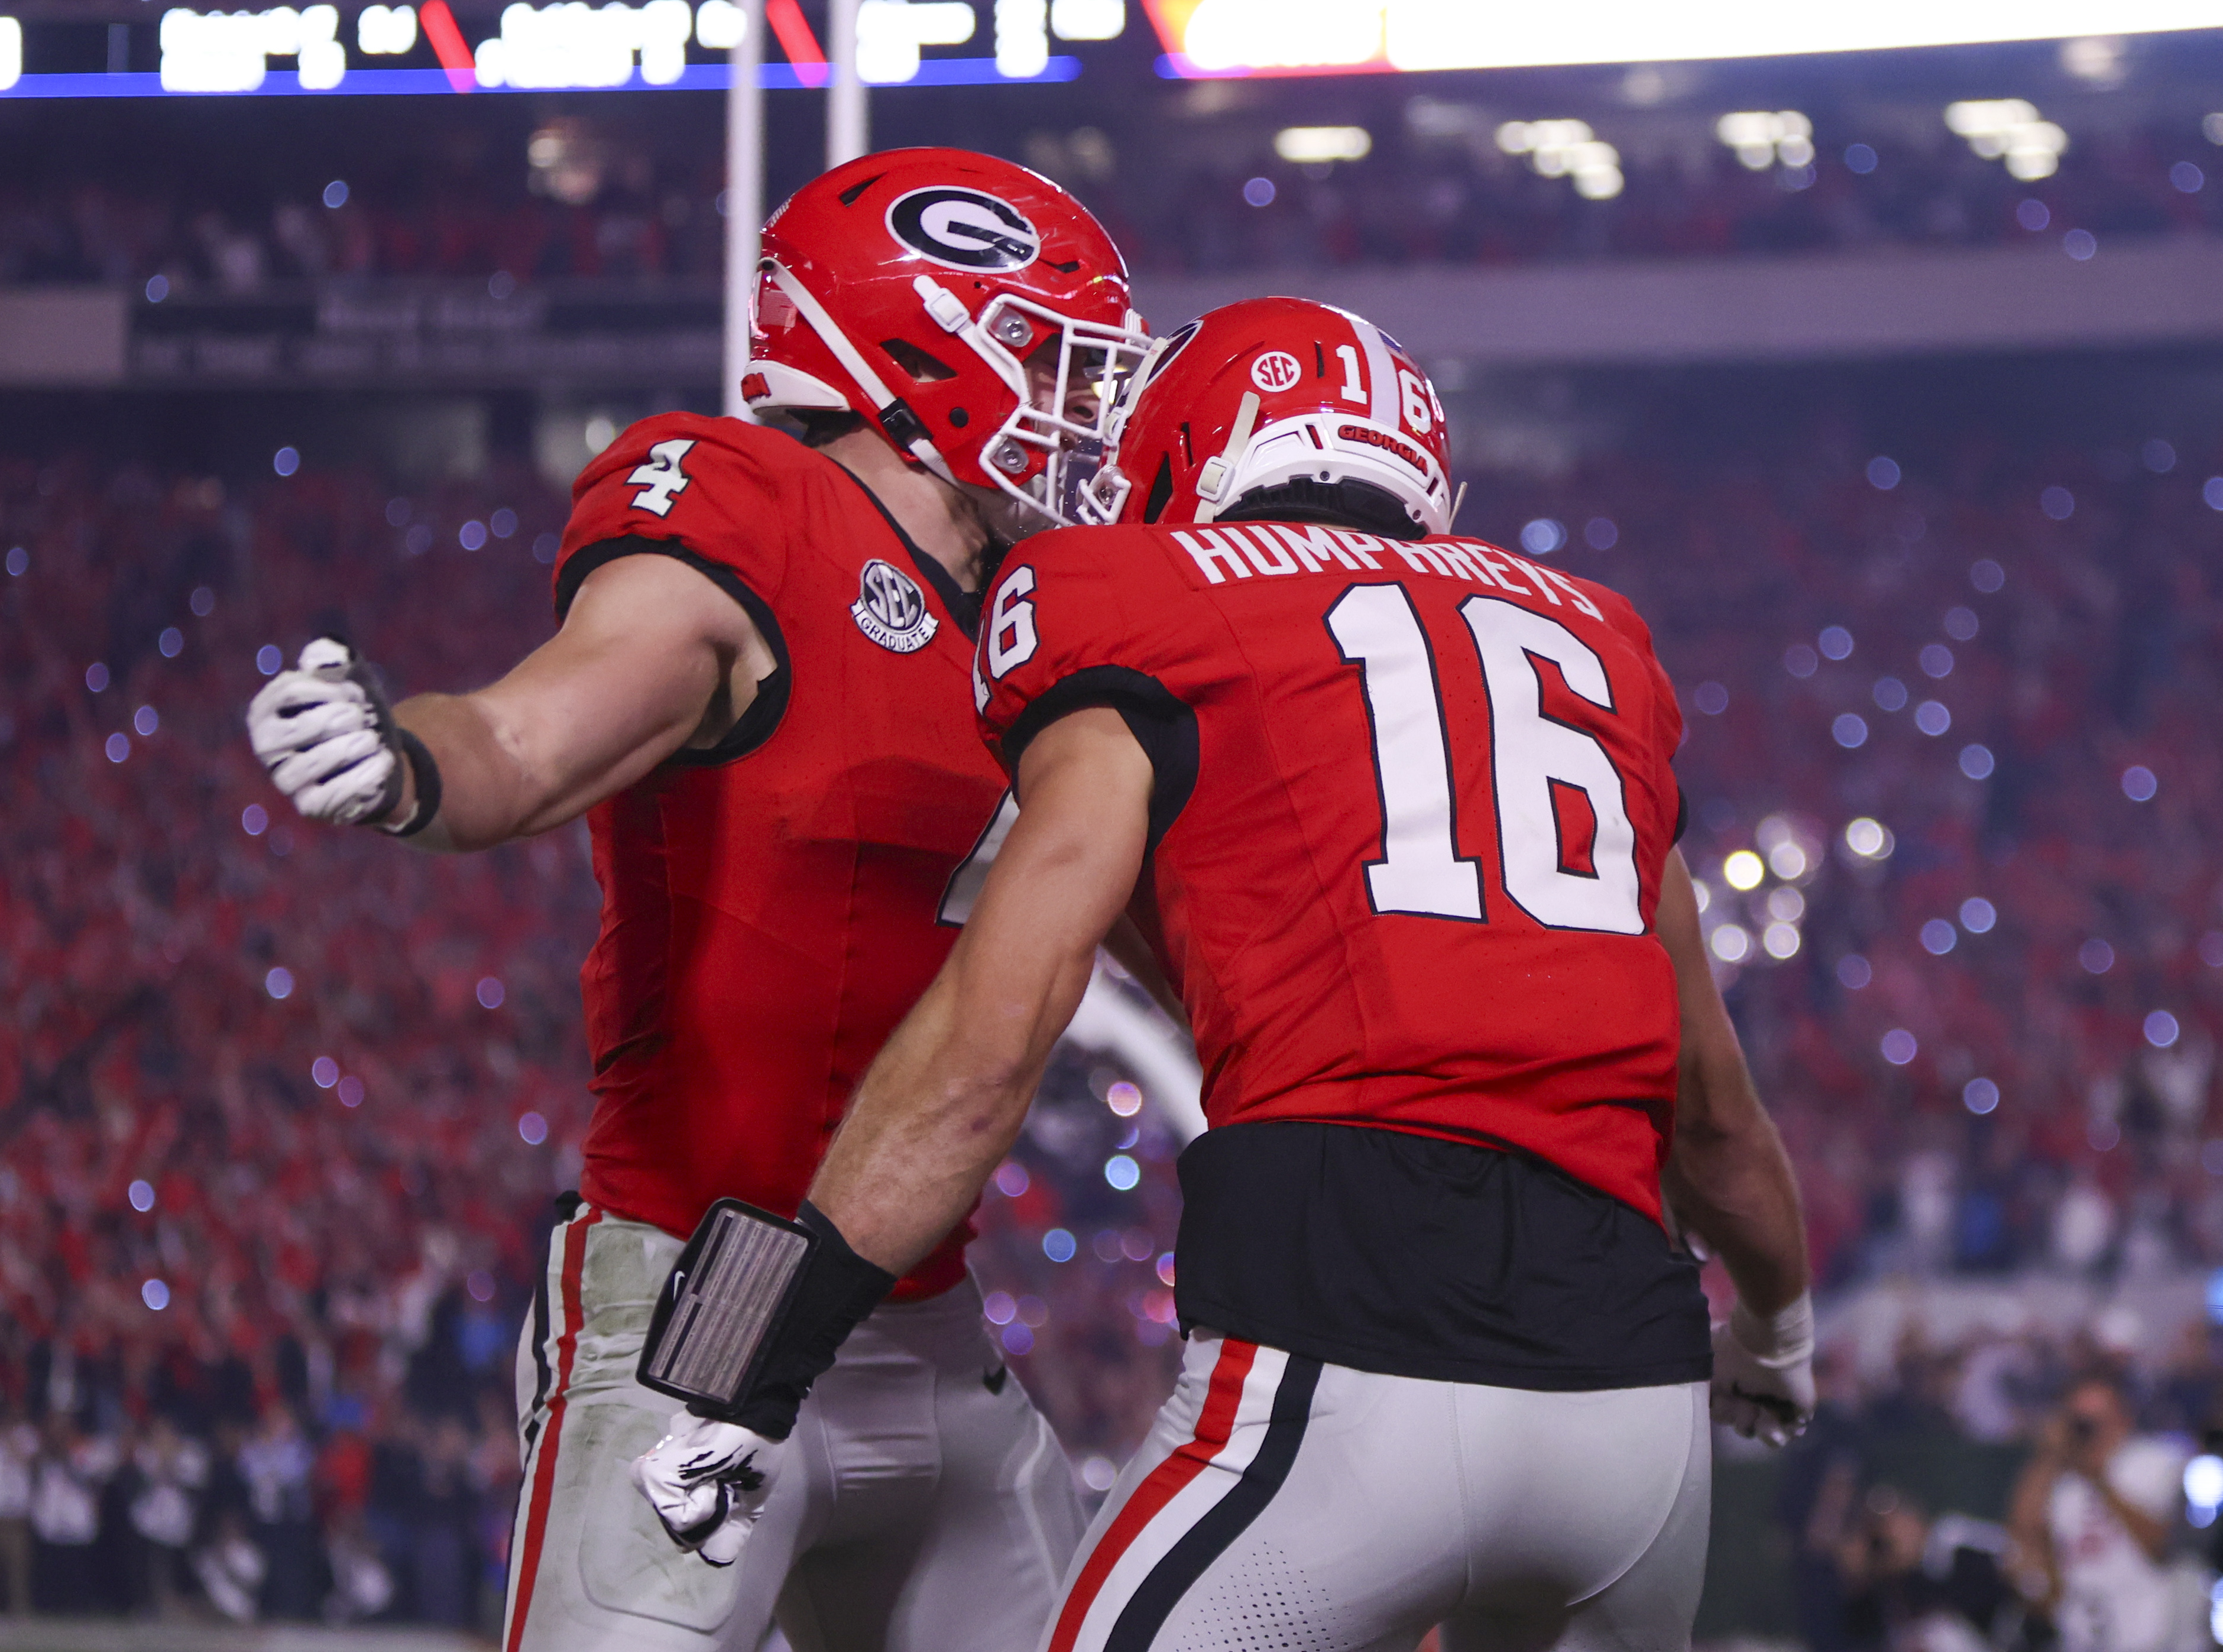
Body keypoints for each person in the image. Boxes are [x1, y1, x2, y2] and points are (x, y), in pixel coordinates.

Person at [633, 297, 1816, 1651]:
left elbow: (986, 1044)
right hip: (1632, 1404)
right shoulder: (1595, 642)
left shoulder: (1135, 597)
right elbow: (1712, 1118)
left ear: (1193, 445)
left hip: (1348, 1336)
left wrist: (751, 1365)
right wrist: (1774, 1337)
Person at [244, 147, 1153, 1652]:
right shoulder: (753, 505)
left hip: (924, 1320)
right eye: (1051, 362)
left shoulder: (1039, 611)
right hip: (694, 1307)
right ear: (919, 357)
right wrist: (411, 760)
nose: (1085, 412)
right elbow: (537, 733)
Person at [2006, 1375, 2186, 1652]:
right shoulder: (2063, 1477)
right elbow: (2025, 1535)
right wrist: (2049, 1455)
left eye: (2095, 1421)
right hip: (2080, 1632)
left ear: (2123, 1418)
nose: (2088, 1432)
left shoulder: (2155, 1461)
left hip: (2147, 1631)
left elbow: (2162, 1545)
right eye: (2079, 1423)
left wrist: (2098, 1480)